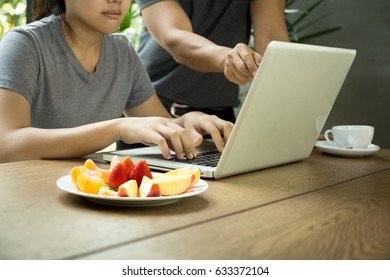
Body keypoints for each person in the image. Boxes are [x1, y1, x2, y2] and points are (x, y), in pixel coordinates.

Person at [0, 0, 233, 163]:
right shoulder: (25, 44)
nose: (117, 0)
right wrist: (117, 128)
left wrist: (187, 122)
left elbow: (157, 123)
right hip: (29, 196)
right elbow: (7, 145)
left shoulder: (121, 51)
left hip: (87, 194)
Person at [137, 0, 290, 122]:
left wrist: (297, 109)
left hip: (219, 112)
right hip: (152, 107)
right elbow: (175, 37)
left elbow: (272, 39)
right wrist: (227, 58)